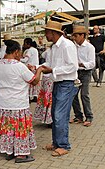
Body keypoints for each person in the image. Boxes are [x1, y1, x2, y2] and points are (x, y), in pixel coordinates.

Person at [0, 40, 43, 163]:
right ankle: (21, 154)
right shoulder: (19, 66)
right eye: (20, 52)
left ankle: (10, 150)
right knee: (19, 129)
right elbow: (34, 81)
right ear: (16, 52)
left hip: (3, 104)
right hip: (18, 104)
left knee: (8, 128)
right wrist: (39, 70)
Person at [41, 21, 78, 157]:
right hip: (58, 83)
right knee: (55, 113)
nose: (45, 35)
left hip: (66, 83)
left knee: (60, 114)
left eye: (47, 32)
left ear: (54, 33)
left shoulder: (67, 45)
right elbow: (50, 64)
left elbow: (73, 66)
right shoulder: (54, 47)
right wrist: (40, 67)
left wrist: (52, 69)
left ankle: (63, 145)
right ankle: (57, 142)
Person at [70, 25, 95, 127]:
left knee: (84, 95)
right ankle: (78, 116)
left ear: (82, 36)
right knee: (73, 94)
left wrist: (82, 64)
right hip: (76, 73)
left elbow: (92, 63)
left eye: (76, 36)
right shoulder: (73, 46)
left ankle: (89, 116)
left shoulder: (90, 47)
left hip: (85, 72)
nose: (74, 38)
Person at [34, 47, 53, 126]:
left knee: (46, 97)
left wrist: (37, 67)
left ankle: (47, 117)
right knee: (49, 97)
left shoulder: (49, 50)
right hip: (51, 77)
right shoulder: (53, 50)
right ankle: (50, 118)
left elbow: (43, 56)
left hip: (47, 76)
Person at [21, 38, 40, 102]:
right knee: (35, 83)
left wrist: (17, 59)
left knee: (29, 83)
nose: (24, 45)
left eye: (25, 43)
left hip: (30, 68)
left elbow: (25, 60)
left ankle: (29, 96)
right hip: (35, 68)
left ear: (28, 44)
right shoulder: (35, 50)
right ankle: (35, 96)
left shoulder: (29, 50)